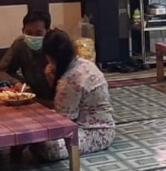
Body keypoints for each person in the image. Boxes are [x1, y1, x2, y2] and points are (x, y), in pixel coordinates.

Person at [33, 28, 116, 161]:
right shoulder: (84, 63)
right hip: (101, 126)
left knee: (47, 144)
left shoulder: (70, 81)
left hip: (95, 132)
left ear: (50, 57)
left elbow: (63, 121)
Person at [0, 10, 54, 102]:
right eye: (29, 33)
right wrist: (17, 83)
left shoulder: (56, 45)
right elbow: (2, 70)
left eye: (39, 33)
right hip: (29, 95)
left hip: (55, 98)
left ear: (48, 31)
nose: (33, 37)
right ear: (23, 31)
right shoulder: (20, 44)